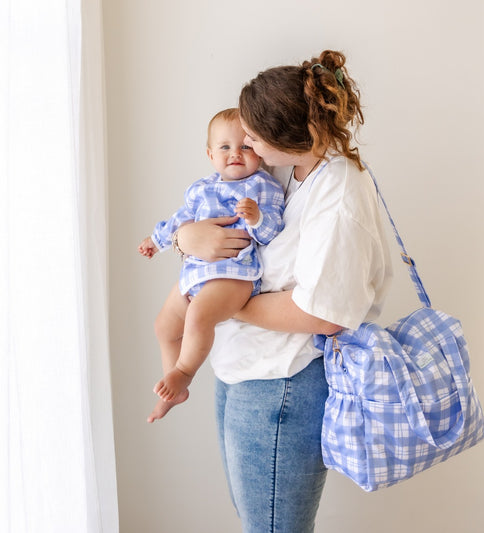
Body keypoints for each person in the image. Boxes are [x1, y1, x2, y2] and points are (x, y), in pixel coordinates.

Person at [175, 50, 393, 533]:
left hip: (284, 382)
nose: (245, 143)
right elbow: (217, 220)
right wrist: (182, 237)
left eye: (254, 134)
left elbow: (325, 315)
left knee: (272, 527)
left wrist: (226, 306)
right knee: (256, 518)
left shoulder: (338, 194)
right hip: (241, 368)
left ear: (290, 134)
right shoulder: (282, 169)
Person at [138, 108, 285, 424]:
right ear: (210, 154)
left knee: (198, 316)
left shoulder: (265, 187)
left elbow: (274, 230)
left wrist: (256, 217)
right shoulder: (200, 189)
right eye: (225, 147)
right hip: (195, 273)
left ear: (258, 150)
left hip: (233, 273)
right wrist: (156, 240)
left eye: (245, 146)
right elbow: (180, 220)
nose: (235, 154)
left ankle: (184, 372)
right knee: (164, 326)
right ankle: (172, 384)